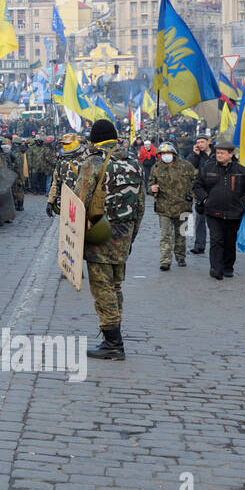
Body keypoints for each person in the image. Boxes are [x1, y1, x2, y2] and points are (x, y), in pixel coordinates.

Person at [74, 119, 145, 360]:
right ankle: (114, 333)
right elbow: (141, 203)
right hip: (124, 233)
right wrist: (131, 236)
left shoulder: (93, 161)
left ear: (94, 139)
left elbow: (78, 199)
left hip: (100, 233)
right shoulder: (134, 161)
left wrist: (74, 238)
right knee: (115, 286)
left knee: (102, 288)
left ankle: (113, 342)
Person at [192, 138, 245, 280]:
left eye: (222, 153)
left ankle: (228, 266)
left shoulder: (241, 170)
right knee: (216, 240)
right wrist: (206, 199)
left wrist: (242, 203)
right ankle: (215, 268)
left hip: (234, 212)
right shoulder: (208, 168)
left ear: (230, 154)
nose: (219, 155)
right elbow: (198, 186)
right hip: (213, 211)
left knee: (229, 241)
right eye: (218, 153)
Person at [146, 142, 196, 270]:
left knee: (182, 234)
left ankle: (180, 257)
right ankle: (165, 260)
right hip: (164, 207)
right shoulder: (156, 168)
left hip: (183, 206)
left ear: (174, 154)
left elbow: (196, 181)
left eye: (168, 153)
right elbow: (149, 186)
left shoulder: (186, 166)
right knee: (165, 235)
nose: (165, 156)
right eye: (163, 154)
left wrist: (193, 194)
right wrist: (152, 189)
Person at [186, 135, 213, 254]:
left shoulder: (217, 153)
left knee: (214, 222)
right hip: (201, 191)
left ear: (209, 142)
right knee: (200, 220)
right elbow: (189, 168)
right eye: (198, 142)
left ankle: (216, 244)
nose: (200, 144)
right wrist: (195, 155)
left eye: (202, 142)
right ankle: (199, 245)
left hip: (215, 191)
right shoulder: (196, 156)